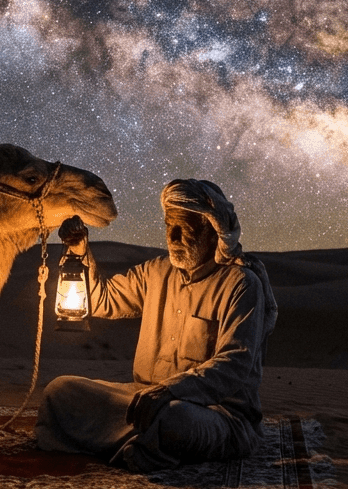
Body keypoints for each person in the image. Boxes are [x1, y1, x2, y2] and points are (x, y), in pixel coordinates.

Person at [34, 179, 278, 473]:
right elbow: (101, 301)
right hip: (144, 397)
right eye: (168, 226)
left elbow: (234, 364)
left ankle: (131, 440)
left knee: (174, 420)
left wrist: (171, 391)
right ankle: (141, 444)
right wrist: (78, 251)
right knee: (60, 391)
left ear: (210, 231)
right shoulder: (156, 272)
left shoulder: (240, 284)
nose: (172, 237)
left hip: (215, 413)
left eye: (183, 228)